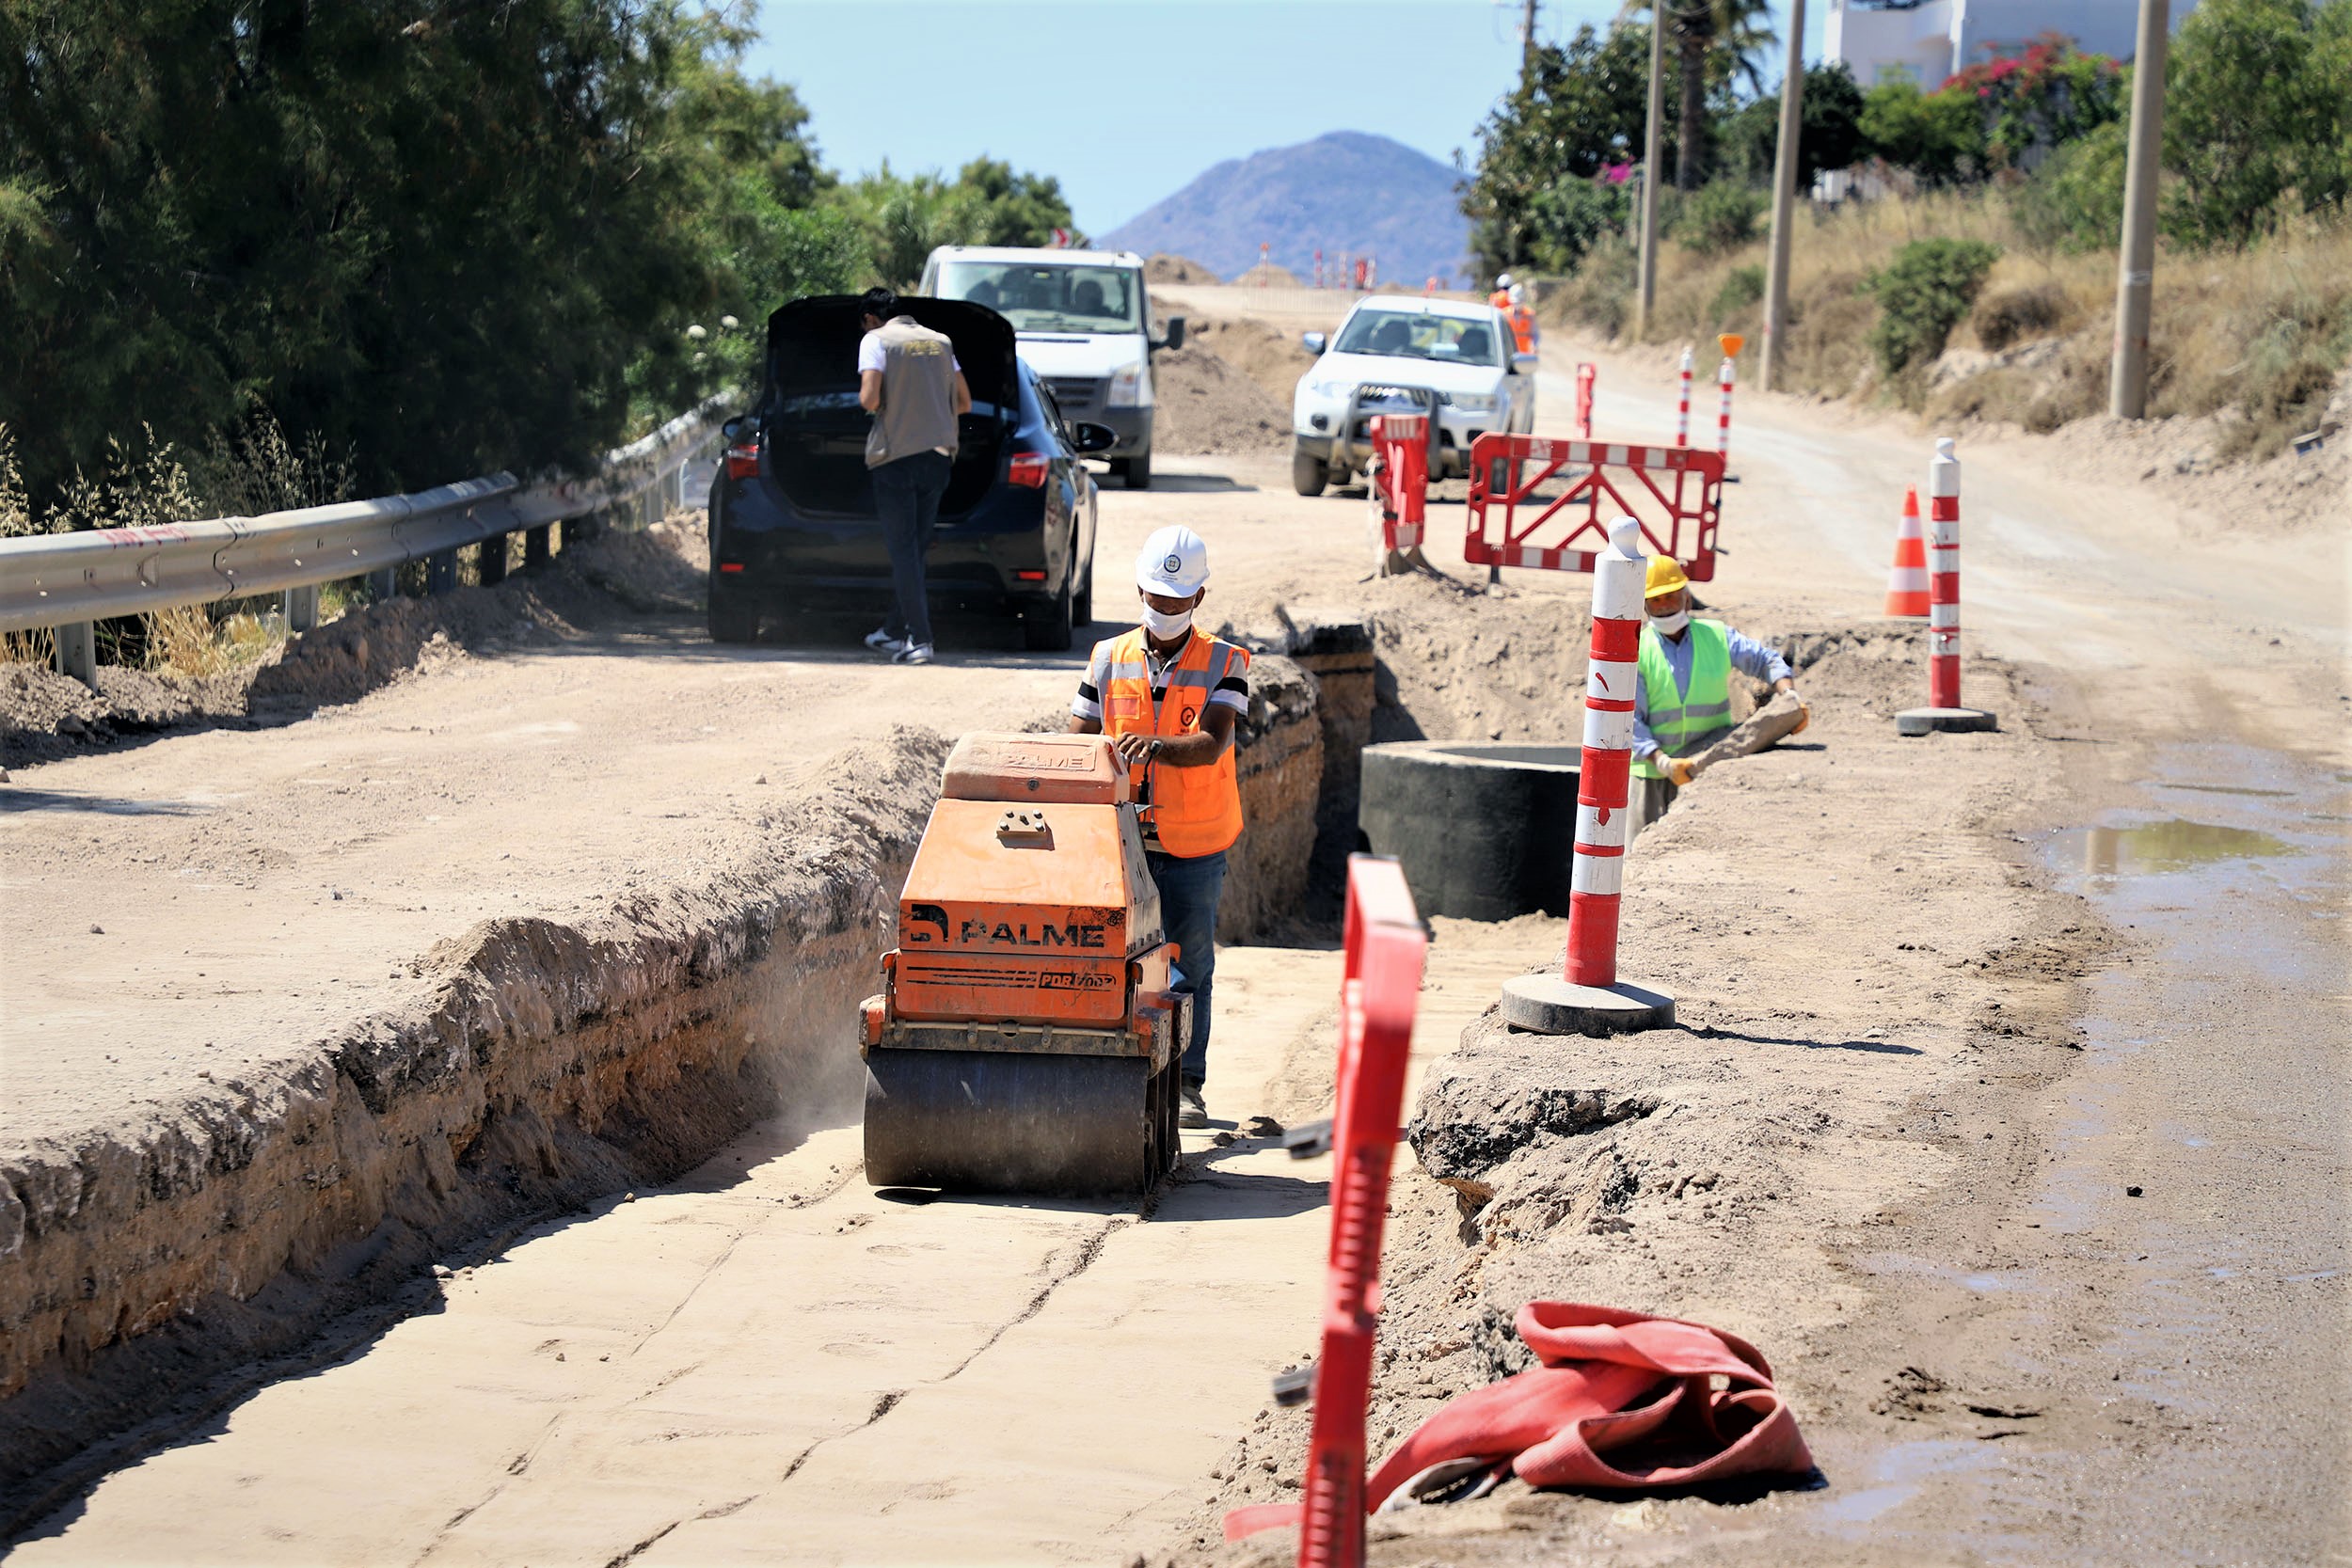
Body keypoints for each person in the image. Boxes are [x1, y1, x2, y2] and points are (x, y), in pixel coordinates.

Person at [1067, 525, 1250, 1131]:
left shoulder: (1227, 662)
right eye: (1154, 598)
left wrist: (1155, 748)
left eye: (1175, 601)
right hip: (1121, 842)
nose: (1163, 610)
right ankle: (1114, 1069)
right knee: (1111, 957)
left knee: (1189, 962)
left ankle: (1188, 1081)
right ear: (1139, 591)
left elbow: (1214, 741)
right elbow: (1077, 742)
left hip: (1194, 841)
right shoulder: (1105, 657)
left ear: (1197, 599)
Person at [1629, 555, 1804, 835]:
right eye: (1656, 600)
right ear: (1645, 604)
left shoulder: (1716, 636)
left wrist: (1789, 695)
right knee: (1641, 852)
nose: (1664, 607)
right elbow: (1628, 718)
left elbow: (1766, 661)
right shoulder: (1637, 649)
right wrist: (1661, 761)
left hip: (1706, 766)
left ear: (1686, 596)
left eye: (1671, 597)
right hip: (1650, 774)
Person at [858, 286, 971, 666]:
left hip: (896, 459)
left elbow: (870, 399)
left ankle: (920, 639)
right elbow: (964, 401)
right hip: (938, 458)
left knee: (903, 551)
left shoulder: (876, 340)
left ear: (871, 319)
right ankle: (893, 631)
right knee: (915, 549)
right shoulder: (940, 342)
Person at [1504, 282, 1538, 357]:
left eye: (1519, 302)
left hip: (1525, 354)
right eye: (1515, 302)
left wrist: (1534, 346)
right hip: (1508, 353)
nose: (1517, 304)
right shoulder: (1504, 314)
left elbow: (1535, 334)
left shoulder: (1530, 314)